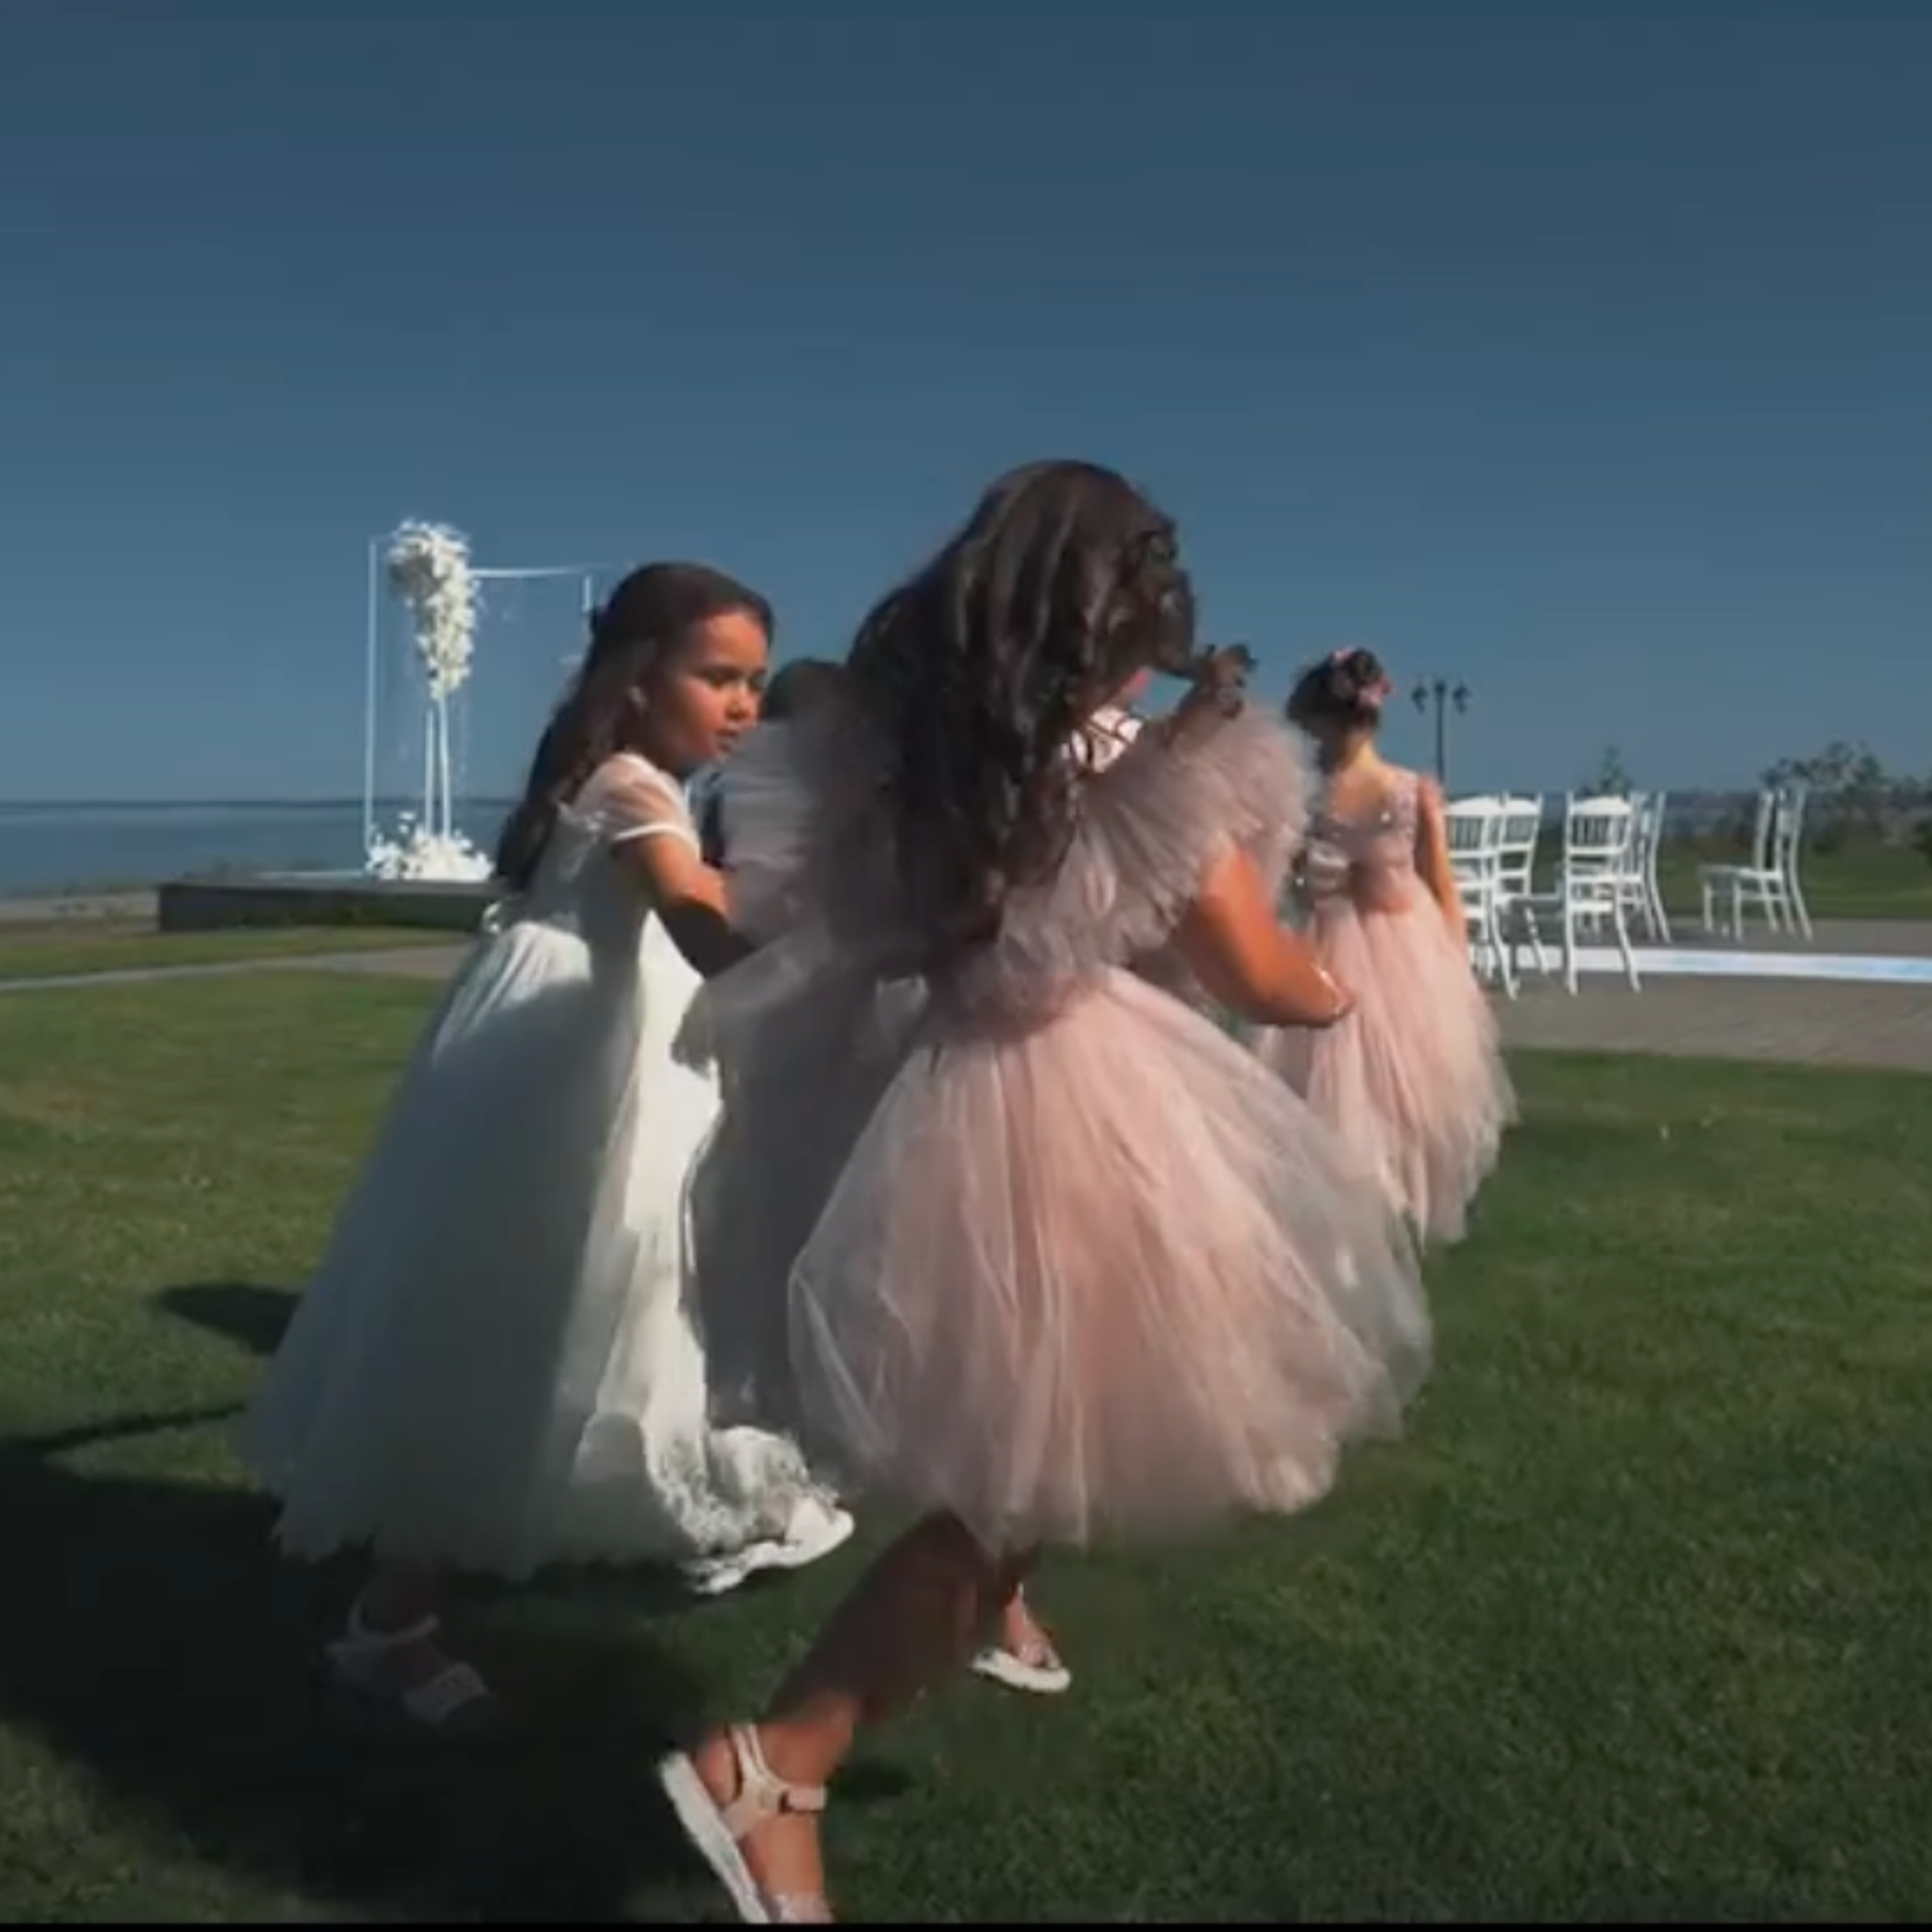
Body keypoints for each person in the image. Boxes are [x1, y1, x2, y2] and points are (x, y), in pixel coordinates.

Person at [657, 461, 1432, 1921]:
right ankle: (775, 1763)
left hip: (926, 1093)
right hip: (1068, 1109)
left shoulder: (906, 750)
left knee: (1015, 1460)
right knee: (1020, 1473)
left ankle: (940, 1654)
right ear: (1117, 621)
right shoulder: (1131, 765)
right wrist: (1345, 998)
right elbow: (1254, 970)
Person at [238, 562, 852, 1730]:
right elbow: (692, 913)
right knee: (532, 1321)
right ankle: (392, 1622)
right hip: (582, 1076)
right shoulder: (634, 789)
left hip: (595, 1059)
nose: (739, 705)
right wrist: (821, 953)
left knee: (619, 1303)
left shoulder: (615, 779)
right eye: (716, 676)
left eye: (753, 683)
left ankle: (682, 1503)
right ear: (637, 678)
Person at [1254, 647, 1515, 1244]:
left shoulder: (1407, 793)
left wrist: (1454, 973)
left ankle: (1384, 1208)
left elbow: (1440, 885)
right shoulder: (1314, 800)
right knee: (1342, 1089)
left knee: (1392, 1089)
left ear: (1325, 720)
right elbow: (1442, 889)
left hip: (1400, 956)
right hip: (1340, 951)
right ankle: (1355, 1207)